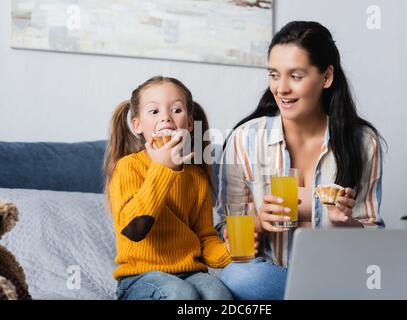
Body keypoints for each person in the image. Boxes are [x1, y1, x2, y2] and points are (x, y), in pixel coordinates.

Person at [215, 21, 386, 300]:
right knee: (239, 276)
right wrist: (258, 221)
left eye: (295, 76)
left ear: (326, 77)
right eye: (274, 75)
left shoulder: (363, 141)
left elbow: (373, 236)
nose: (281, 88)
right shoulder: (244, 139)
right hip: (273, 276)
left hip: (339, 273)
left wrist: (345, 222)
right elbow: (227, 227)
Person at [104, 76, 232, 300]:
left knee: (217, 293)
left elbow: (205, 239)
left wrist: (230, 250)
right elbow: (134, 229)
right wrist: (163, 168)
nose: (166, 117)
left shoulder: (196, 176)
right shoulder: (128, 167)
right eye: (154, 112)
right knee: (179, 293)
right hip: (140, 277)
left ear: (190, 123)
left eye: (176, 109)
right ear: (137, 125)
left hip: (191, 272)